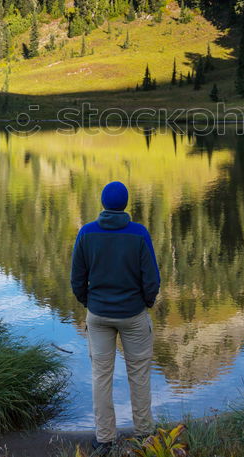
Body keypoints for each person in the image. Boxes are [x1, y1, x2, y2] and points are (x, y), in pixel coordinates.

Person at [70, 181, 161, 453]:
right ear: (125, 204)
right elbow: (152, 279)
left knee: (101, 377)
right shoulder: (139, 233)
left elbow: (77, 279)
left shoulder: (87, 233)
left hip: (98, 316)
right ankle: (145, 436)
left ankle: (105, 440)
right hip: (133, 315)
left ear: (103, 203)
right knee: (139, 375)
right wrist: (145, 303)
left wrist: (91, 303)